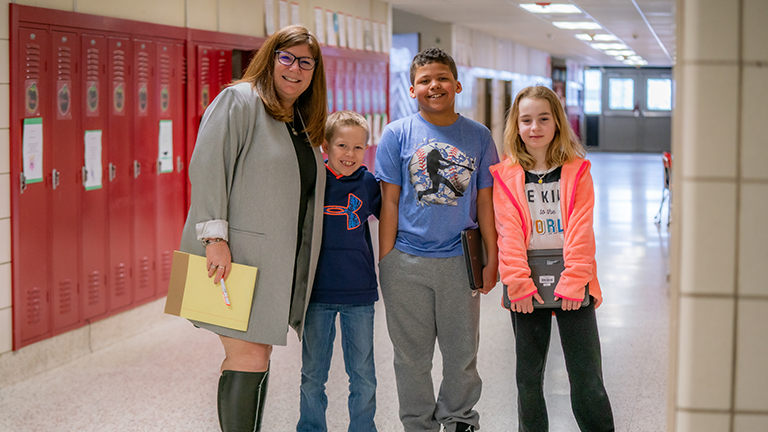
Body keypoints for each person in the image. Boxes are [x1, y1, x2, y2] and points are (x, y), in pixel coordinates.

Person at [178, 25, 327, 432]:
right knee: (250, 357)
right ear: (269, 57)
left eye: (305, 62)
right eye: (286, 57)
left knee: (256, 355)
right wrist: (214, 239)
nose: (295, 69)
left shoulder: (300, 119)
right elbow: (208, 169)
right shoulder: (239, 100)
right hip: (233, 257)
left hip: (271, 263)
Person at [375, 47, 499, 432]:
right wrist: (387, 260)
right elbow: (390, 201)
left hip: (459, 262)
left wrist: (491, 259)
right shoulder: (397, 134)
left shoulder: (478, 136)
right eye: (424, 80)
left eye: (442, 78)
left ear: (457, 84)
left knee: (462, 353)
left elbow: (485, 202)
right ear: (412, 90)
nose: (434, 86)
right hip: (406, 262)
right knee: (410, 357)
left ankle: (460, 419)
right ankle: (418, 424)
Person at [490, 85, 614, 431]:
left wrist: (575, 281)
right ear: (516, 125)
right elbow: (508, 233)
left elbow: (581, 228)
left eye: (543, 118)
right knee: (528, 379)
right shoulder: (506, 175)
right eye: (526, 120)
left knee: (587, 377)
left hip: (575, 282)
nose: (535, 127)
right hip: (525, 286)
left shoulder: (577, 171)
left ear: (557, 123)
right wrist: (517, 284)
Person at [297, 110, 382, 432]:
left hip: (359, 292)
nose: (350, 154)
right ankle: (310, 427)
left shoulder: (368, 183)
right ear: (325, 147)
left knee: (362, 374)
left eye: (358, 148)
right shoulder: (313, 181)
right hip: (316, 293)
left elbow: (392, 219)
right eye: (342, 146)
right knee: (313, 374)